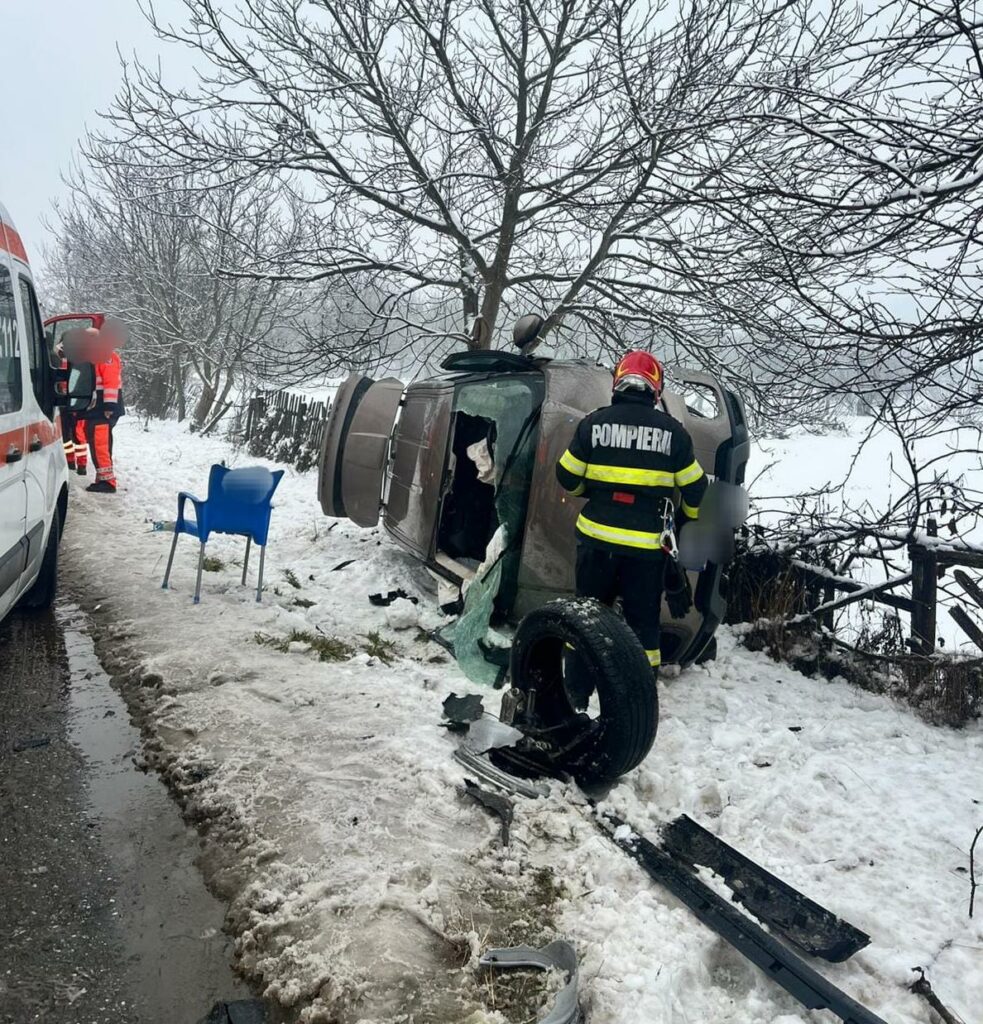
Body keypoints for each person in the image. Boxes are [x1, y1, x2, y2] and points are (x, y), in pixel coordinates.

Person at [555, 350, 708, 678]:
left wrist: (592, 493)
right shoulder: (674, 433)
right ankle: (639, 693)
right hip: (646, 549)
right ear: (655, 389)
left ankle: (576, 687)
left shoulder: (592, 424)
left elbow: (566, 476)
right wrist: (684, 520)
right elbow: (696, 489)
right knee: (643, 625)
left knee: (586, 615)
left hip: (596, 540)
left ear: (617, 383)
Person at [79, 325, 124, 494]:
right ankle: (103, 478)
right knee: (99, 443)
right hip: (98, 408)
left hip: (103, 409)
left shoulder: (105, 356)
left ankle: (107, 482)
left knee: (100, 444)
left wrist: (109, 406)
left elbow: (110, 382)